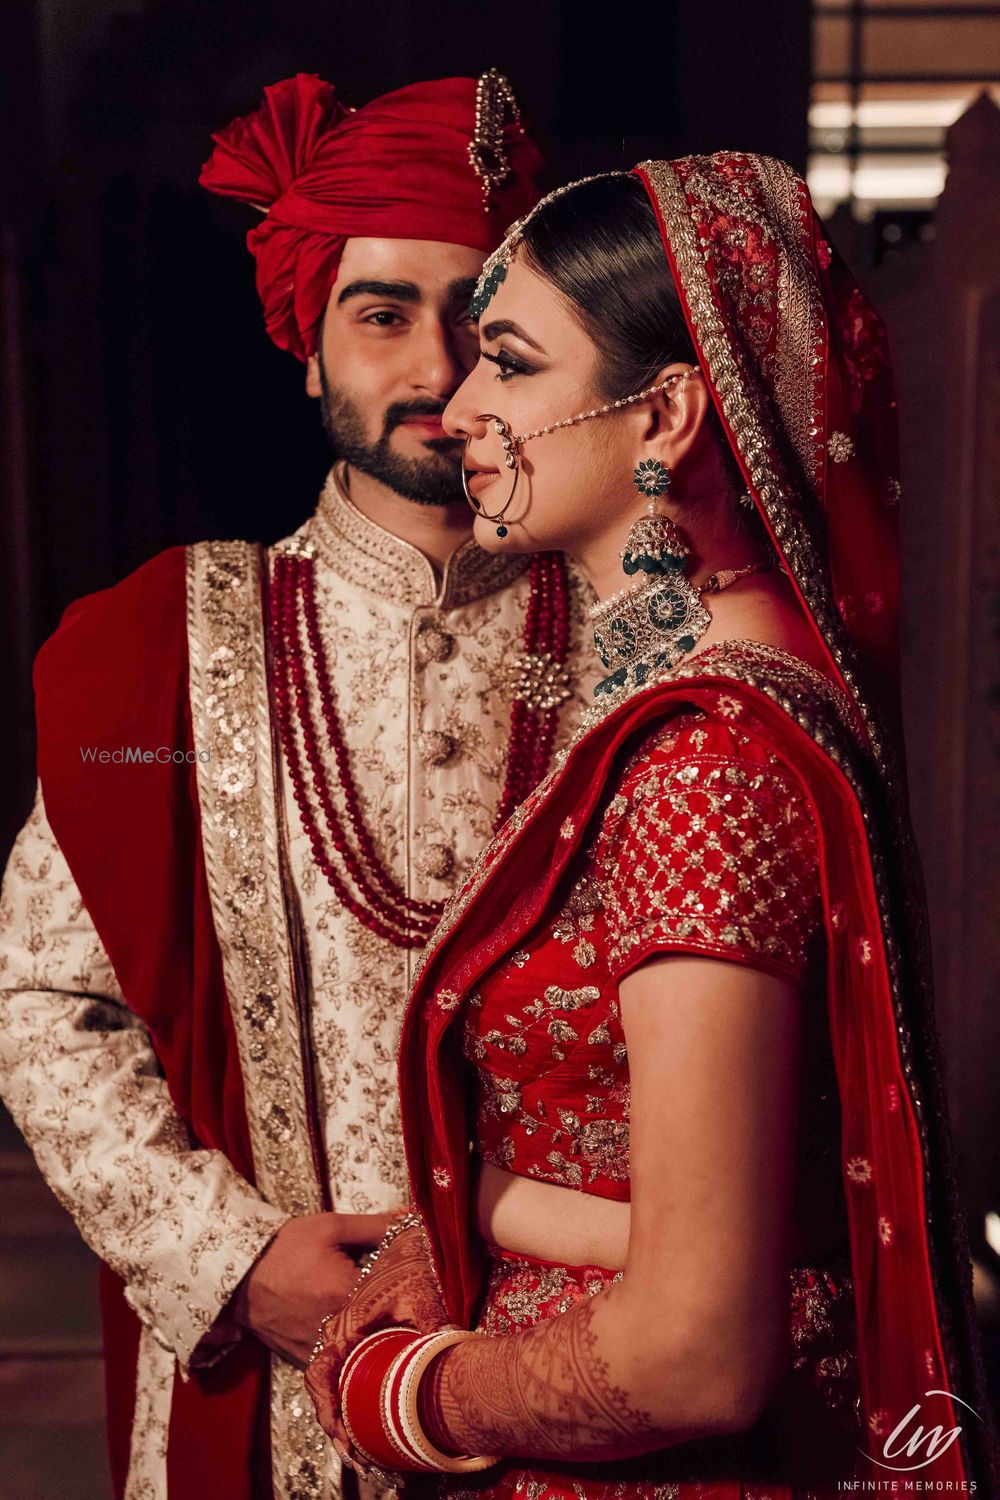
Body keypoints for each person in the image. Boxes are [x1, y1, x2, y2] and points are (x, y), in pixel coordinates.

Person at [303, 158, 999, 1496]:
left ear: (664, 410)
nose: (458, 407)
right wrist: (462, 1222)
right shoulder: (691, 707)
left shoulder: (705, 765)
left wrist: (405, 1389)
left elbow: (694, 1347)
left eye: (507, 362)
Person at [0, 71, 596, 1500]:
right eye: (382, 314)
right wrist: (229, 1255)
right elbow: (41, 998)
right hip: (273, 1386)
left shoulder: (649, 639)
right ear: (308, 349)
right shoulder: (167, 642)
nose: (438, 368)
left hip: (581, 1369)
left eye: (486, 323)